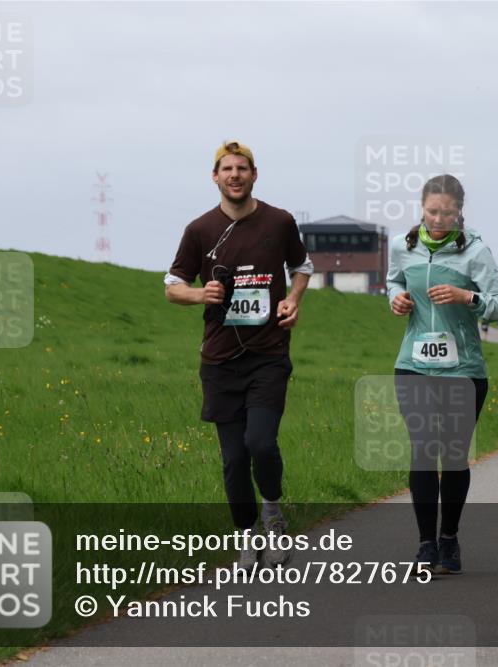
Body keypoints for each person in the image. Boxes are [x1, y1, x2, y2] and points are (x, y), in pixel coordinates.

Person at [165, 141, 314, 570]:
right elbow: (172, 286)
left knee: (260, 443)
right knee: (233, 459)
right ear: (215, 177)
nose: (235, 175)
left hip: (268, 355)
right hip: (219, 361)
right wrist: (198, 294)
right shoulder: (199, 230)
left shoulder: (279, 221)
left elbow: (302, 267)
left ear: (254, 174)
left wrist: (293, 300)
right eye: (226, 169)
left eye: (242, 168)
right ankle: (246, 536)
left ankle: (273, 514)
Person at [387, 174, 498, 575]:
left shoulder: (475, 252)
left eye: (448, 213)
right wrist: (397, 299)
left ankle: (450, 537)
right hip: (413, 364)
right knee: (424, 450)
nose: (439, 220)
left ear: (461, 211)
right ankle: (425, 545)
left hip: (462, 368)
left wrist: (467, 297)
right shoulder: (403, 246)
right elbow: (392, 281)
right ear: (421, 208)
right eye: (432, 211)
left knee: (453, 455)